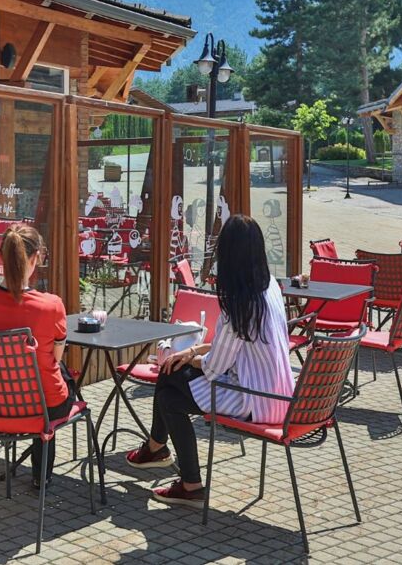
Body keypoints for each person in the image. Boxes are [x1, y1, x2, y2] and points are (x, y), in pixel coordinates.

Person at [125, 213, 294, 507]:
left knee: (169, 389)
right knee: (171, 377)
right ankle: (167, 461)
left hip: (255, 400)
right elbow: (223, 350)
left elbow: (216, 368)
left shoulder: (242, 305)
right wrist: (190, 353)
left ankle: (167, 461)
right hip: (282, 394)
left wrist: (188, 359)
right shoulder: (270, 289)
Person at [0, 223, 69, 487]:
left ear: (1, 256)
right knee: (55, 383)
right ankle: (40, 478)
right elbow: (56, 357)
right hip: (41, 407)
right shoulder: (51, 305)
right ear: (35, 258)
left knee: (32, 386)